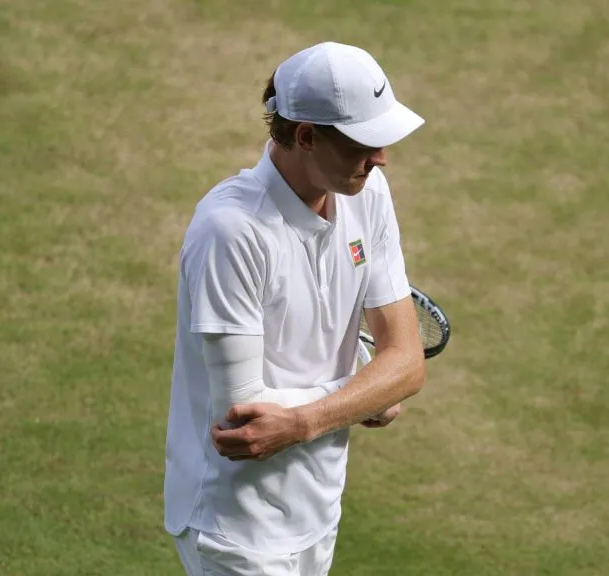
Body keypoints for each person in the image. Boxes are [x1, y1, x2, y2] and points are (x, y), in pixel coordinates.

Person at [163, 41, 427, 576]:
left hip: (318, 509)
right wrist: (360, 394)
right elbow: (246, 426)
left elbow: (407, 363)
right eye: (364, 143)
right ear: (306, 136)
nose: (381, 159)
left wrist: (314, 415)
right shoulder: (230, 233)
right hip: (234, 527)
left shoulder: (369, 194)